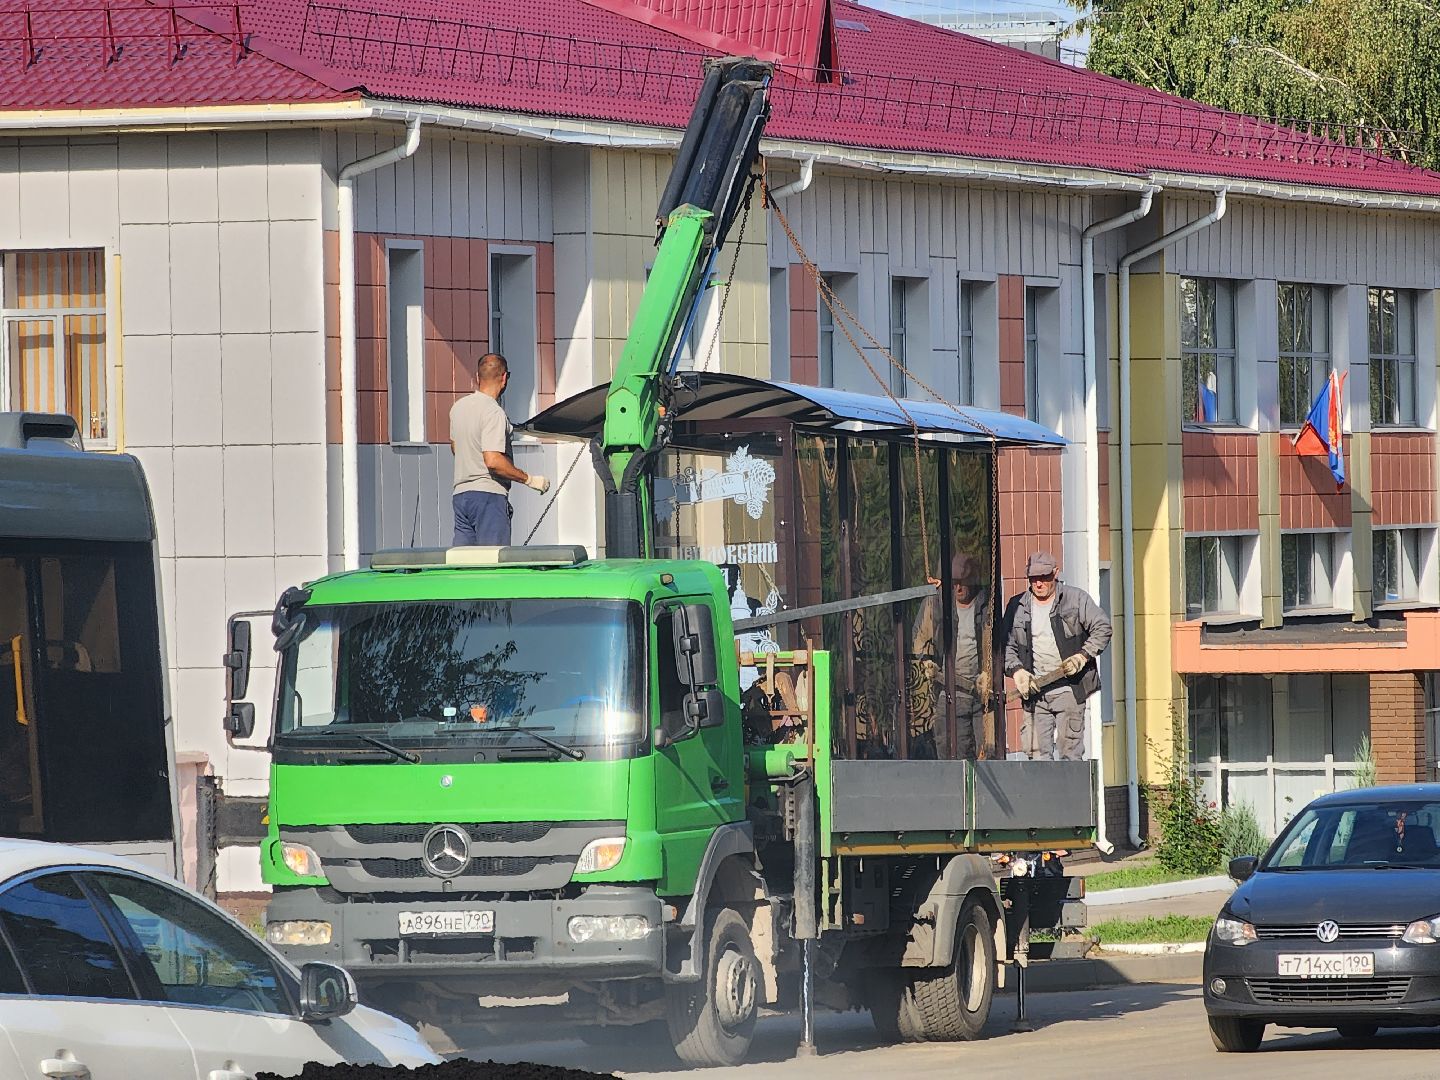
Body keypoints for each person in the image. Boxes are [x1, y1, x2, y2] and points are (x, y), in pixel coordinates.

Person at [1002, 551, 1111, 761]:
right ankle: (1041, 794)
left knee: (1070, 755)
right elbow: (1005, 645)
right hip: (1034, 692)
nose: (1039, 583)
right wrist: (1017, 671)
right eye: (1034, 578)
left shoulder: (1075, 599)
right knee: (1036, 757)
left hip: (1069, 688)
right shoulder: (1017, 606)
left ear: (1056, 573)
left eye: (1044, 577)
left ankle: (1071, 793)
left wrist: (1082, 656)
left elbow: (1103, 627)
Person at [449, 353, 550, 546]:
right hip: (488, 496)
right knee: (493, 564)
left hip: (461, 497)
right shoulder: (493, 412)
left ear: (477, 378)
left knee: (464, 565)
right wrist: (529, 479)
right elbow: (493, 461)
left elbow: (455, 447)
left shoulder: (458, 408)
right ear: (504, 378)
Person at [911, 552, 991, 759]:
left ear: (972, 581)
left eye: (963, 582)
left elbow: (997, 643)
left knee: (987, 754)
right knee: (950, 753)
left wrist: (988, 672)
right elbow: (919, 638)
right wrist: (927, 662)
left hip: (982, 694)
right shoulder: (937, 604)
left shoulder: (986, 605)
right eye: (954, 583)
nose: (959, 588)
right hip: (949, 692)